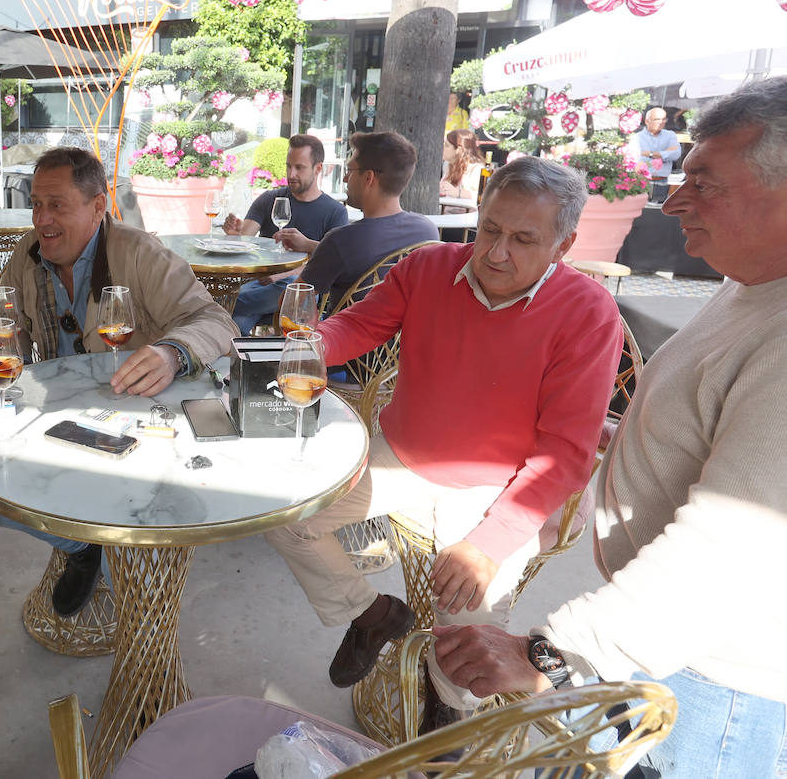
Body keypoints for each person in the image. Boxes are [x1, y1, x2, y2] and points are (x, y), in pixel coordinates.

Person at [432, 77, 787, 779]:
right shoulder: (750, 283)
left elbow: (729, 550)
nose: (674, 201)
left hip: (711, 676)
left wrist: (551, 653)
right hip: (660, 643)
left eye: (705, 184)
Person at [266, 157, 624, 731]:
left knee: (466, 618)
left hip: (508, 483)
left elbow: (565, 453)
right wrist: (312, 344)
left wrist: (487, 543)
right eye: (490, 231)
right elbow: (359, 326)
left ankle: (448, 717)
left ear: (564, 245)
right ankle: (372, 614)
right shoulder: (429, 266)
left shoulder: (589, 312)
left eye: (523, 239)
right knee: (283, 514)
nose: (497, 253)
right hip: (404, 455)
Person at [0, 146, 239, 615]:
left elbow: (217, 322)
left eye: (57, 205)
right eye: (36, 204)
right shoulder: (27, 257)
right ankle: (79, 546)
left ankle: (135, 616)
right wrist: (8, 363)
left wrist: (173, 352)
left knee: (133, 579)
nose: (42, 218)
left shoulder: (139, 253)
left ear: (97, 207)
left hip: (137, 420)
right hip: (60, 414)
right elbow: (11, 329)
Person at [222, 133, 349, 334]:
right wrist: (234, 235)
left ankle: (219, 305)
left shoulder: (335, 212)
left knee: (293, 288)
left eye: (299, 167)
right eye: (289, 166)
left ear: (318, 169)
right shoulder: (270, 199)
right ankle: (227, 316)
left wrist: (283, 275)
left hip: (299, 289)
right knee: (234, 325)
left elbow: (329, 265)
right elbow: (244, 240)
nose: (291, 174)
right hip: (259, 285)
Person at [299, 131, 438, 309]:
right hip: (405, 335)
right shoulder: (427, 231)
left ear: (368, 178)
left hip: (349, 335)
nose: (344, 178)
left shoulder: (340, 241)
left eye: (350, 170)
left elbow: (292, 302)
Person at [630, 106, 681, 203]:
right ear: (647, 121)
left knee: (658, 213)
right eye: (657, 119)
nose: (661, 122)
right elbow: (634, 160)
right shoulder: (637, 138)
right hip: (642, 181)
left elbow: (675, 154)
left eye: (663, 119)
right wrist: (665, 154)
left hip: (663, 181)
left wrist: (649, 154)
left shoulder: (670, 135)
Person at [439, 128, 484, 211]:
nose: (442, 147)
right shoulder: (447, 165)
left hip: (466, 220)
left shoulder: (476, 169)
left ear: (459, 150)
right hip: (445, 216)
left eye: (446, 145)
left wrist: (457, 193)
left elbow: (482, 196)